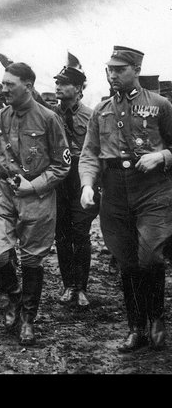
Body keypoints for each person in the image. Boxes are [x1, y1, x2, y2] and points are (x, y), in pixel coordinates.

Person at [79, 46, 172, 352]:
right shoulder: (101, 110)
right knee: (127, 262)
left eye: (119, 69)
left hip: (152, 189)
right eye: (110, 69)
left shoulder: (159, 105)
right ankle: (136, 328)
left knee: (151, 257)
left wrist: (161, 155)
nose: (113, 74)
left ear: (136, 69)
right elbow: (89, 153)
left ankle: (157, 317)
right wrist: (87, 184)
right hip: (114, 190)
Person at [0, 62, 70, 345]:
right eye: (3, 84)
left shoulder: (48, 118)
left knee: (32, 258)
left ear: (28, 86)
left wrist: (35, 185)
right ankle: (11, 295)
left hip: (36, 195)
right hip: (2, 190)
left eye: (10, 85)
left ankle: (27, 319)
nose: (4, 89)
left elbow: (62, 164)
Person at [51, 55, 100, 308]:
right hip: (59, 180)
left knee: (80, 232)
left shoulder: (92, 117)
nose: (58, 87)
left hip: (81, 178)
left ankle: (81, 287)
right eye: (57, 82)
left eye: (64, 83)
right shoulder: (50, 115)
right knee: (61, 233)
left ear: (79, 89)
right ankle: (68, 284)